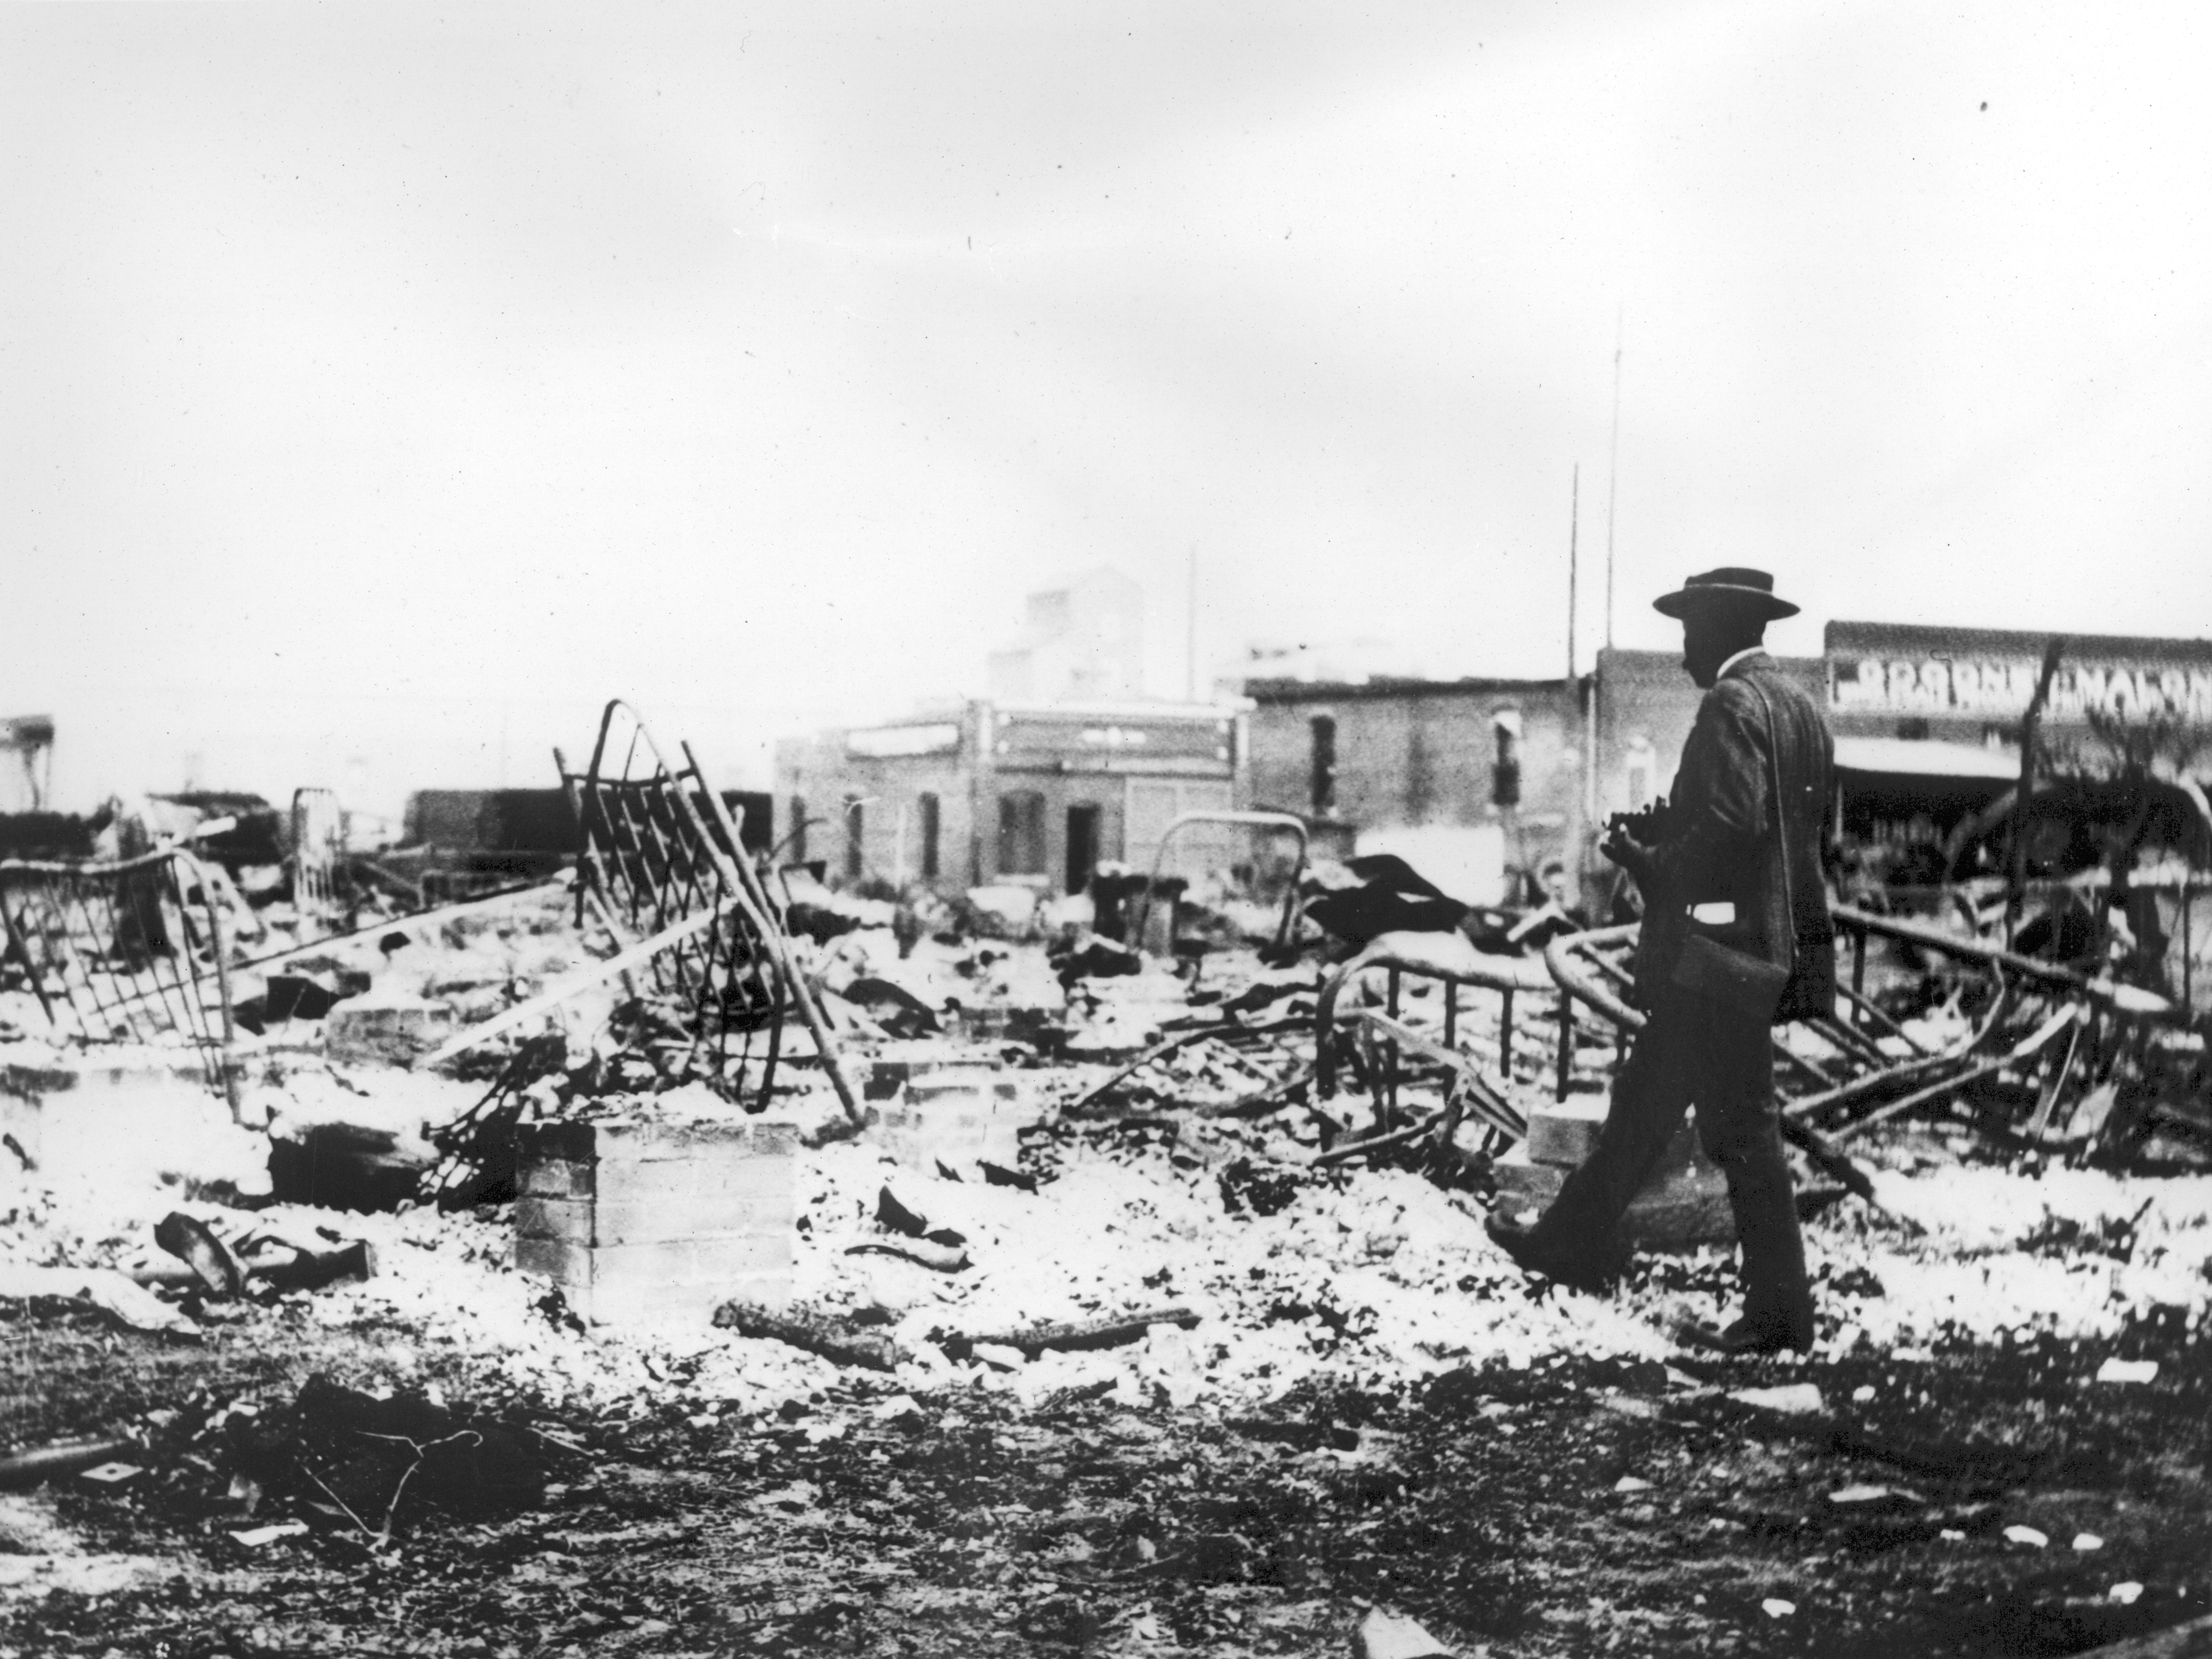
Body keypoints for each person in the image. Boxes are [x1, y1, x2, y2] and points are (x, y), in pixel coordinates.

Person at [1485, 567, 1837, 1355]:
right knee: (1650, 1102)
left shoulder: (1730, 704)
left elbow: (1726, 830)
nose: (1682, 651)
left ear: (1716, 628)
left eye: (1688, 632)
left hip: (1716, 957)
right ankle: (1573, 1242)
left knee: (1732, 1124)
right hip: (1766, 953)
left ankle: (1779, 1314)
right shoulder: (1802, 710)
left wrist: (1650, 859)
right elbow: (1807, 842)